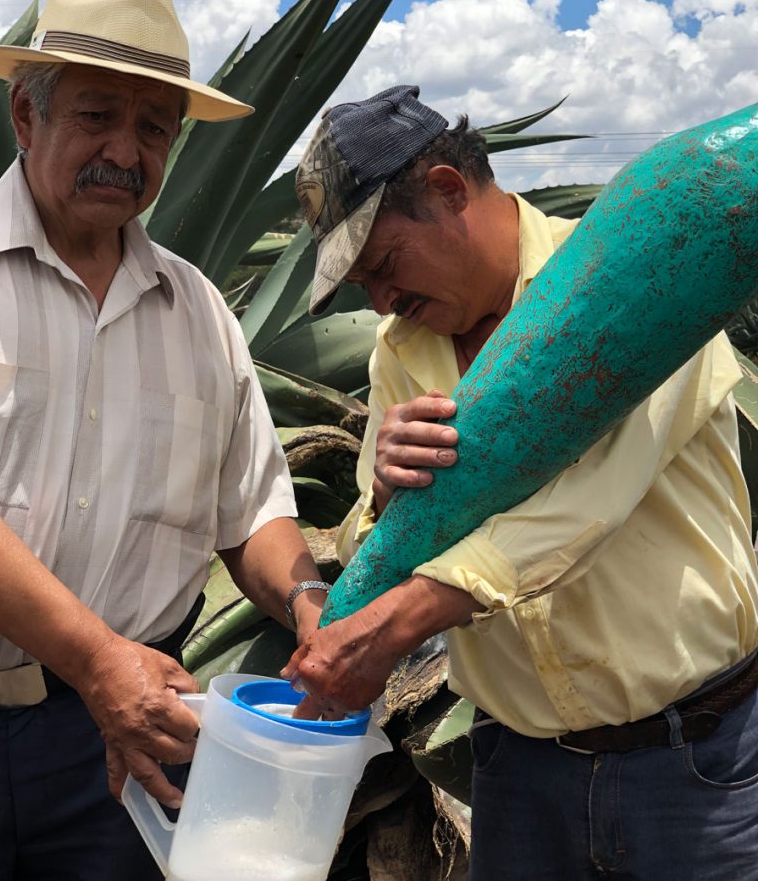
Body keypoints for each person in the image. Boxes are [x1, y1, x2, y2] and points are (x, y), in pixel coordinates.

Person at [285, 84, 758, 879]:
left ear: (446, 189)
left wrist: (391, 624)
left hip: (694, 771)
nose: (382, 301)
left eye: (384, 264)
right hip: (518, 775)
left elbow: (586, 505)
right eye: (362, 287)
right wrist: (388, 497)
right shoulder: (401, 351)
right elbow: (376, 538)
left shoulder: (651, 268)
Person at [0, 0, 330, 881]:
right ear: (27, 116)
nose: (126, 152)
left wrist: (309, 607)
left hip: (121, 745)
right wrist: (100, 662)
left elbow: (252, 509)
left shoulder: (200, 312)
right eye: (97, 116)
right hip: (114, 693)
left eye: (154, 128)